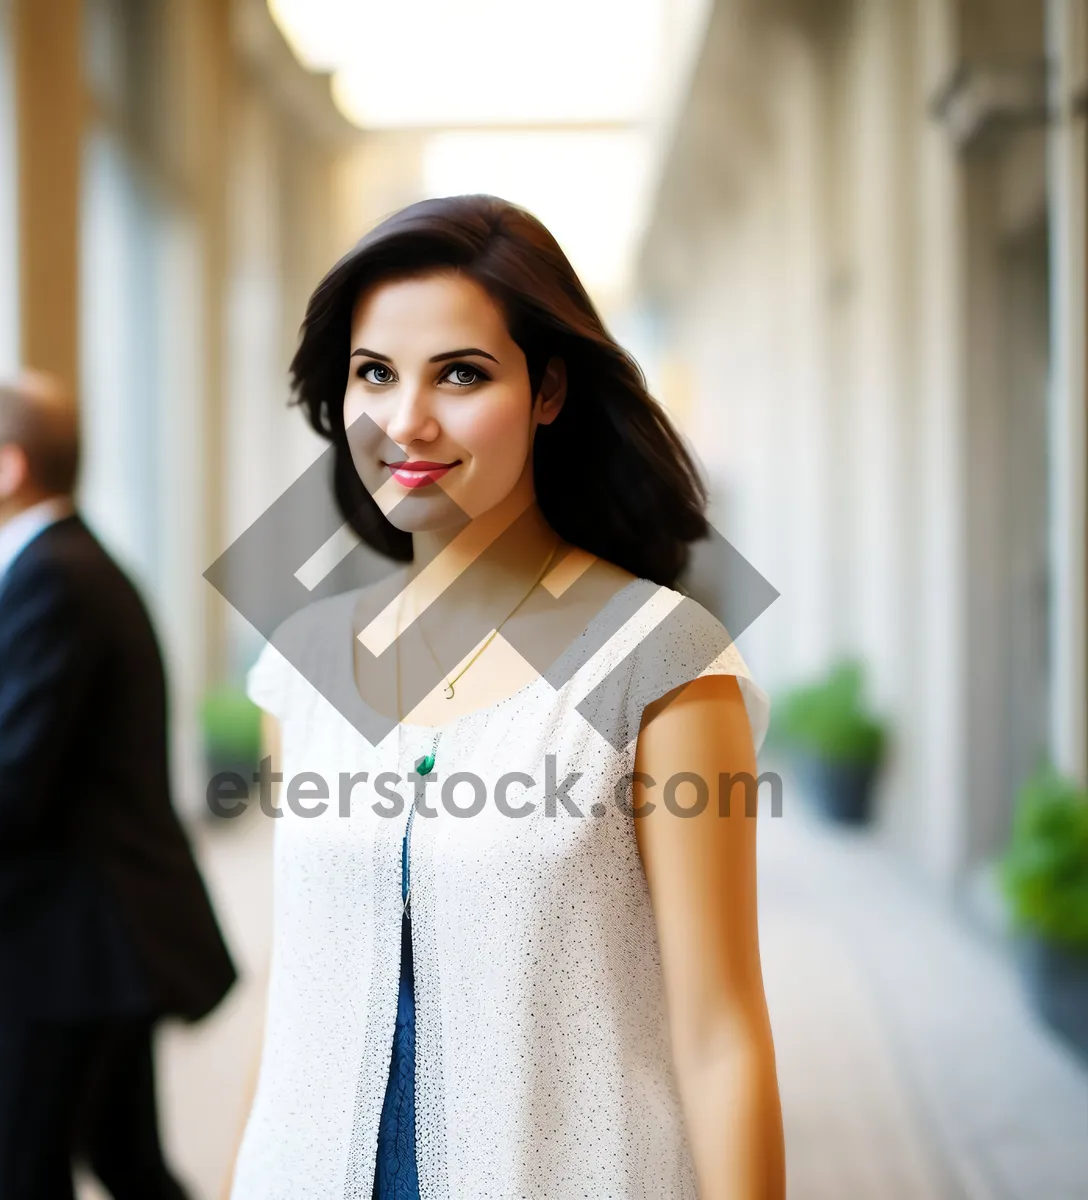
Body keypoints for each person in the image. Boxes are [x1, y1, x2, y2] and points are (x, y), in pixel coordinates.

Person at [227, 195, 786, 1199]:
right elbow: (297, 997)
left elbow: (720, 1036)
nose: (407, 421)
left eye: (462, 373)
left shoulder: (662, 661)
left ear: (549, 389)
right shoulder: (300, 665)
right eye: (374, 374)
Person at [0, 371, 238, 1200]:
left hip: (58, 950)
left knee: (26, 1177)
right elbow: (28, 726)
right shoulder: (50, 567)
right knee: (126, 1163)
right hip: (86, 943)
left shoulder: (54, 577)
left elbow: (17, 774)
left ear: (6, 468)